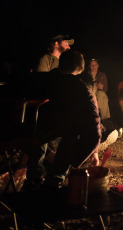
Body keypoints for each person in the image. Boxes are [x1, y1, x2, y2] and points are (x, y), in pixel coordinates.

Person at [17, 50, 102, 190]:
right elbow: (95, 131)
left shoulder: (43, 79)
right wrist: (77, 160)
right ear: (80, 69)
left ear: (60, 65)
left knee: (38, 123)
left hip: (20, 129)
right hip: (47, 129)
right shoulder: (82, 89)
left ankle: (34, 178)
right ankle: (54, 181)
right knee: (73, 131)